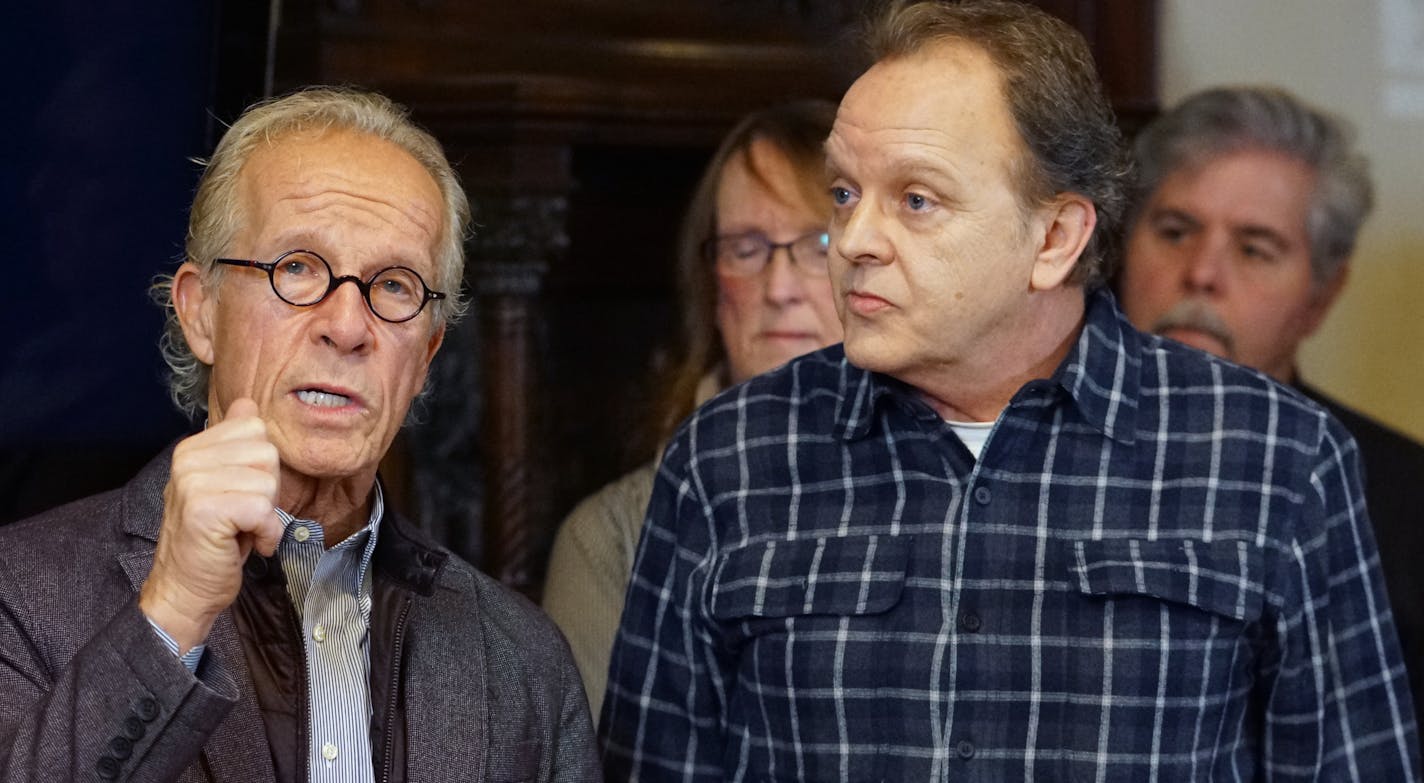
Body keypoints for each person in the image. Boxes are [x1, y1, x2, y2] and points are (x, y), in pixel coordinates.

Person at [599, 1, 1421, 780]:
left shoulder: (1274, 456)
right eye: (845, 192)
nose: (852, 241)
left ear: (1056, 238)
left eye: (916, 200)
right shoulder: (729, 456)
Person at [0, 87, 598, 782]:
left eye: (396, 285)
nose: (347, 326)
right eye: (297, 269)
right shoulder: (18, 592)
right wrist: (173, 612)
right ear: (201, 313)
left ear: (425, 357)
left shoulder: (523, 662)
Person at [1116, 85, 1424, 724]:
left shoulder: (1407, 501)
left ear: (1321, 295)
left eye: (1254, 248)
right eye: (1174, 231)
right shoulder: (1026, 448)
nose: (1202, 272)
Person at [542, 100, 842, 717]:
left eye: (818, 244)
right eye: (747, 248)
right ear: (709, 283)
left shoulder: (954, 485)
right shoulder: (613, 537)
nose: (780, 288)